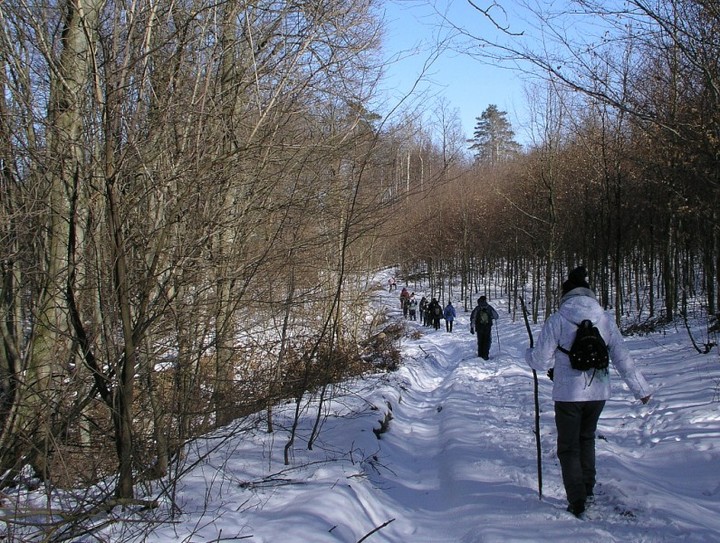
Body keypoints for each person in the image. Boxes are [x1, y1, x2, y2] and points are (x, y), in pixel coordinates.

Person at [525, 266, 652, 518]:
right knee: (587, 439)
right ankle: (588, 489)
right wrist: (641, 389)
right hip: (598, 392)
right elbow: (622, 357)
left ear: (566, 293)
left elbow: (539, 361)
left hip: (568, 394)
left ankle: (577, 499)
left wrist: (527, 354)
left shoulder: (558, 319)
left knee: (568, 446)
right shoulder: (604, 318)